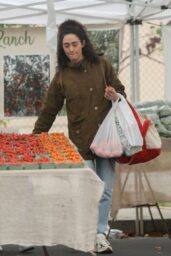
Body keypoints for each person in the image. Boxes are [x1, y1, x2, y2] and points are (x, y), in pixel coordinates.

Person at [33, 19, 126, 254]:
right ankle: (86, 232)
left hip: (107, 139)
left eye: (75, 44)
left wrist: (115, 95)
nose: (71, 49)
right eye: (66, 46)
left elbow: (122, 92)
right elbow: (49, 110)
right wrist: (35, 137)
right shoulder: (62, 76)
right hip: (80, 142)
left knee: (104, 189)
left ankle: (99, 234)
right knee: (87, 188)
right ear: (62, 49)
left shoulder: (102, 65)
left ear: (83, 43)